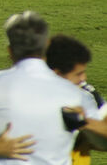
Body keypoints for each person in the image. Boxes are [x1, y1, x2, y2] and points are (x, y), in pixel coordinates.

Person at [0, 11, 105, 165]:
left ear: (10, 51)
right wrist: (85, 122)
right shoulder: (75, 95)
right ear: (45, 48)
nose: (83, 79)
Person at [46, 35, 106, 165]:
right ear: (56, 73)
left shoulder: (85, 95)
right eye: (78, 74)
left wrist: (82, 122)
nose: (83, 78)